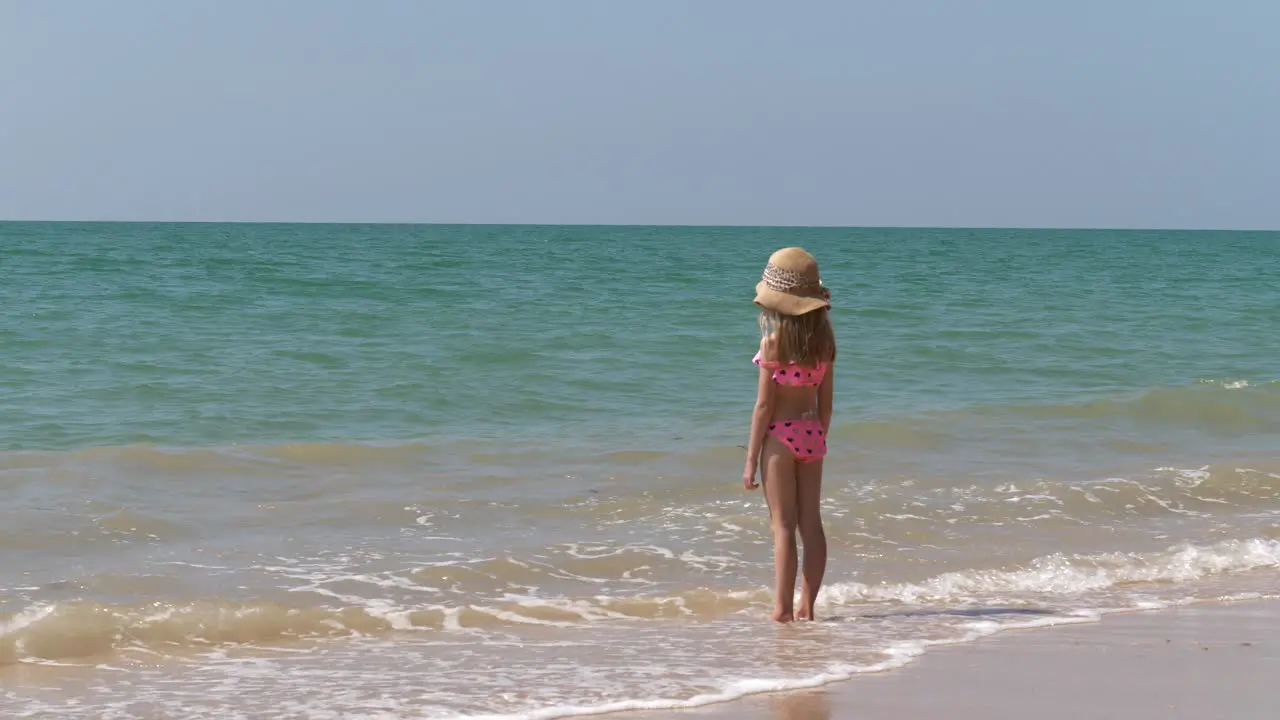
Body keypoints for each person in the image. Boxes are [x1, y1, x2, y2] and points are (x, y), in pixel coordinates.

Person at [742, 247, 836, 623]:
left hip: (780, 437)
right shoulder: (825, 345)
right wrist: (817, 438)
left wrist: (751, 458)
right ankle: (807, 607)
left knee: (782, 526)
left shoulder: (774, 344)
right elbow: (826, 403)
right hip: (813, 433)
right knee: (810, 524)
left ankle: (781, 609)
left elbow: (764, 407)